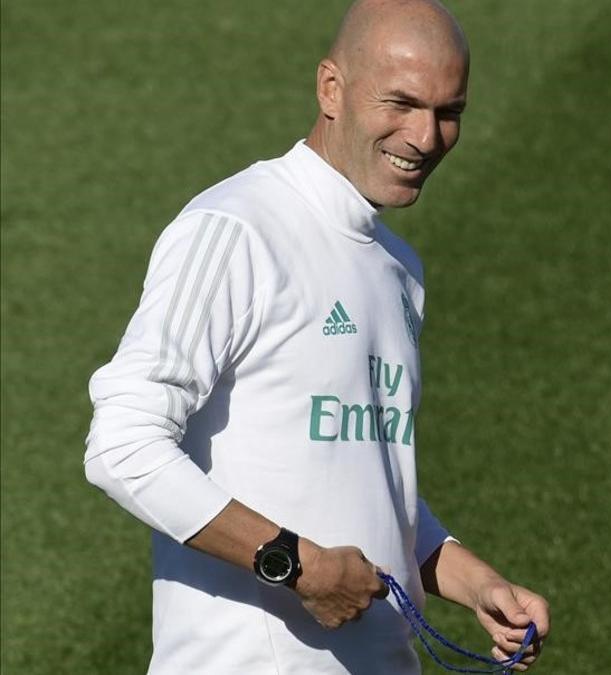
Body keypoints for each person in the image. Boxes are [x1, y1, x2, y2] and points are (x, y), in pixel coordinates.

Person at [84, 1, 549, 672]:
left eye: (450, 112)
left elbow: (359, 474)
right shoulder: (237, 228)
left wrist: (474, 581)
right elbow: (122, 446)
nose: (425, 136)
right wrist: (294, 565)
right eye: (402, 103)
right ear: (331, 87)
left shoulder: (397, 268)